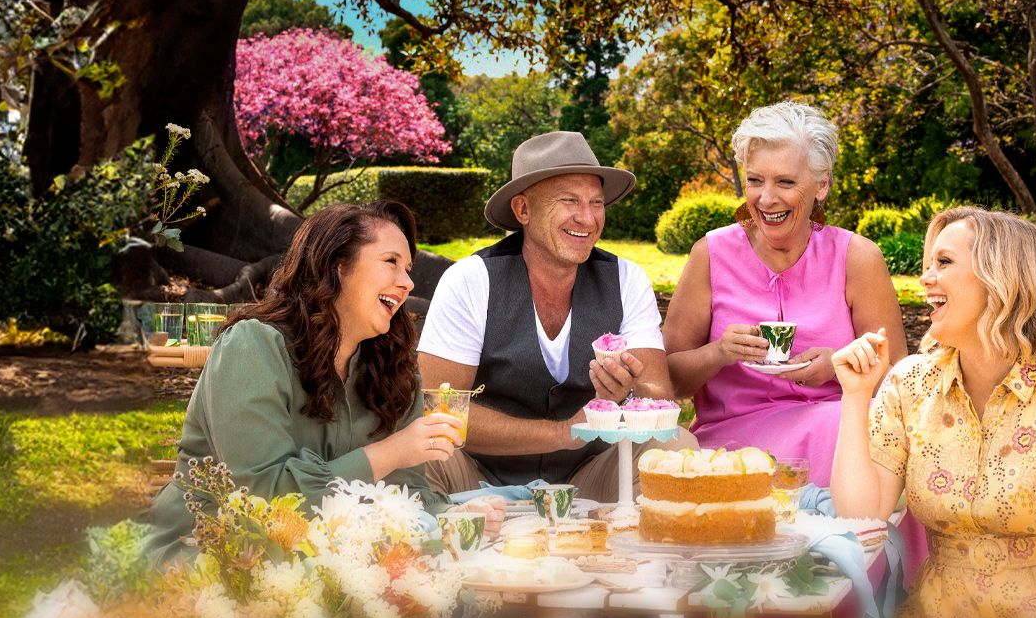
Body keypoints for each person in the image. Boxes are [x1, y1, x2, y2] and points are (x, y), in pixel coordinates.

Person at [830, 206, 1036, 618]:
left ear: (1000, 280)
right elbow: (860, 517)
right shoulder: (909, 385)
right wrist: (855, 396)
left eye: (944, 263)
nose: (925, 279)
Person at [145, 201, 500, 559]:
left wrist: (451, 516)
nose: (407, 282)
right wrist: (390, 452)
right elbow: (260, 498)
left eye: (408, 269)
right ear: (337, 265)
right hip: (212, 555)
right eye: (390, 261)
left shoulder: (391, 367)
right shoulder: (253, 346)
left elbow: (406, 496)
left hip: (330, 562)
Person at [418, 132, 695, 498]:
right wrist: (563, 433)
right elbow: (440, 411)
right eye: (569, 201)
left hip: (589, 478)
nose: (587, 218)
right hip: (476, 476)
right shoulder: (471, 280)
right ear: (523, 210)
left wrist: (628, 394)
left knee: (677, 447)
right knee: (417, 454)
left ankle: (638, 552)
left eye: (596, 203)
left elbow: (660, 397)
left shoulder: (625, 279)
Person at [663, 102, 906, 486]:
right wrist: (719, 353)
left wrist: (840, 369)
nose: (766, 199)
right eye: (755, 180)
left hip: (840, 428)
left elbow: (899, 380)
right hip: (733, 441)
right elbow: (669, 381)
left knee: (858, 429)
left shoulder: (858, 257)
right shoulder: (710, 254)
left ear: (821, 185)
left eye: (786, 182)